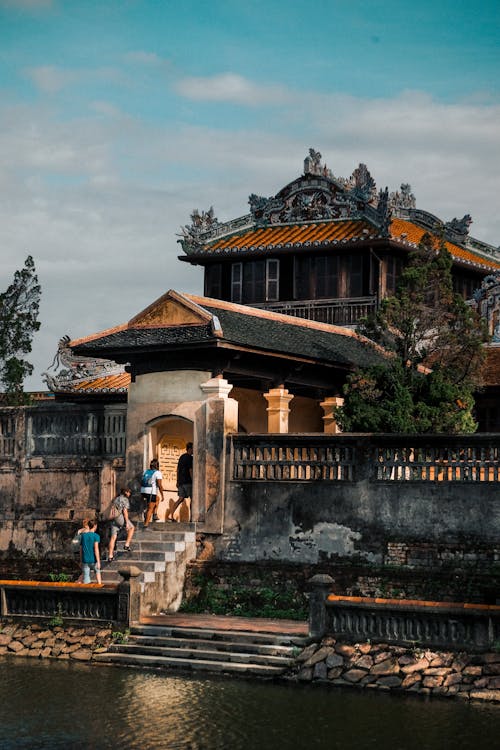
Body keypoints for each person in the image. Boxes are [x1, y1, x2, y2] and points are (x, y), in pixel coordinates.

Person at [167, 442, 193, 522]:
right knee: (193, 500)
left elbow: (178, 469)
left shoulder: (182, 457)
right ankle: (192, 518)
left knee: (180, 499)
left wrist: (177, 480)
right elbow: (190, 470)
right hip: (188, 482)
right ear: (190, 449)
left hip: (181, 482)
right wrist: (193, 481)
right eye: (193, 448)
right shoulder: (190, 458)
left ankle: (171, 515)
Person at [107, 488, 135, 561]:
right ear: (125, 492)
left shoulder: (116, 498)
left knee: (113, 537)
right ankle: (127, 545)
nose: (130, 494)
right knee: (132, 528)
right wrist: (126, 523)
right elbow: (125, 511)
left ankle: (110, 556)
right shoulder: (124, 499)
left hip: (113, 518)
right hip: (119, 517)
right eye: (129, 492)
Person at [141, 459, 164, 527]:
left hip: (143, 491)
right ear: (157, 465)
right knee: (150, 508)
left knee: (157, 499)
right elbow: (160, 485)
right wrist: (163, 495)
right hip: (151, 492)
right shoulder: (157, 472)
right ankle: (146, 524)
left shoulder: (145, 471)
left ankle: (155, 514)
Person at [80, 518, 102, 584]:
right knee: (98, 572)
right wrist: (98, 561)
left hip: (85, 560)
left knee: (86, 579)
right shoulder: (96, 536)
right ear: (95, 526)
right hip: (93, 560)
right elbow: (96, 549)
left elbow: (81, 549)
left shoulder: (83, 536)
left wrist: (81, 560)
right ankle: (99, 588)